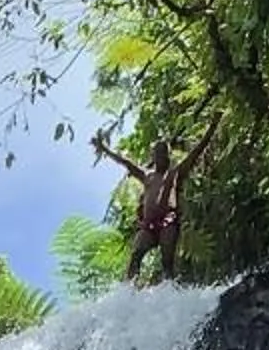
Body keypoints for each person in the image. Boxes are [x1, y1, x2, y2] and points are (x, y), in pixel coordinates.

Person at [93, 120, 219, 282]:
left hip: (168, 221)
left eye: (162, 153)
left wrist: (213, 127)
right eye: (156, 153)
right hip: (148, 224)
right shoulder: (147, 175)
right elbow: (125, 162)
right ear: (153, 157)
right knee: (136, 255)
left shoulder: (176, 173)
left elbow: (196, 151)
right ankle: (128, 291)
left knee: (167, 260)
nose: (158, 156)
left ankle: (169, 289)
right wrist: (104, 149)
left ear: (167, 156)